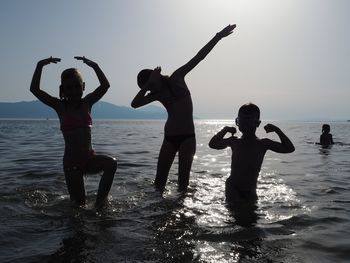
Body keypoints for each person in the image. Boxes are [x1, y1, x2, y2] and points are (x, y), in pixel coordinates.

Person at [131, 24, 236, 192]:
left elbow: (198, 57)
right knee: (159, 182)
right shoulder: (156, 94)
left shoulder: (177, 77)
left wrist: (218, 36)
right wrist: (148, 86)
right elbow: (134, 104)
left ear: (156, 76)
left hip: (188, 136)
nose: (151, 89)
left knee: (183, 183)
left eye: (151, 85)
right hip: (169, 137)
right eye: (149, 88)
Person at [30, 56, 117, 208]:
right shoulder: (59, 106)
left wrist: (94, 65)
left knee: (111, 164)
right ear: (63, 89)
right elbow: (35, 89)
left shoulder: (87, 103)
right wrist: (40, 65)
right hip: (72, 165)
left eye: (77, 86)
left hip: (90, 159)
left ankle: (100, 204)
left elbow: (105, 85)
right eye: (69, 87)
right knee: (78, 207)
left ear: (83, 86)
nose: (74, 90)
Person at [209, 103, 295, 205]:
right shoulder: (234, 141)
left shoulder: (263, 143)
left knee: (251, 217)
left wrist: (277, 130)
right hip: (233, 187)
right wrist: (225, 130)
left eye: (248, 120)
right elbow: (212, 144)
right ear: (237, 122)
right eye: (242, 120)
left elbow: (289, 148)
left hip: (250, 190)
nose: (245, 123)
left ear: (257, 123)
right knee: (235, 211)